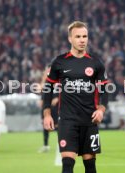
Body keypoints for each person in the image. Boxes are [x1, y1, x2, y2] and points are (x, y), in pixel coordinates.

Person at [43, 21, 109, 173]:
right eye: (78, 36)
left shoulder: (95, 62)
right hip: (67, 121)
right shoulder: (60, 62)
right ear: (70, 39)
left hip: (89, 122)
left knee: (90, 167)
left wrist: (101, 109)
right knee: (67, 165)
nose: (82, 40)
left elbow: (105, 90)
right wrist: (47, 114)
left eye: (85, 36)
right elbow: (48, 88)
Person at [39, 66, 59, 153]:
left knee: (58, 125)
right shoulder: (46, 82)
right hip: (47, 105)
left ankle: (61, 144)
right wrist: (41, 100)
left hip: (56, 107)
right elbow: (42, 89)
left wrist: (58, 98)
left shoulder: (58, 79)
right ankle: (46, 145)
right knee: (46, 125)